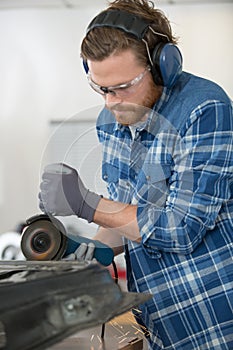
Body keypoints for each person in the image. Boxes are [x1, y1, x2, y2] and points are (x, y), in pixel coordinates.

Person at [39, 0, 233, 349]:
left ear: (163, 67)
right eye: (101, 89)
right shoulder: (109, 122)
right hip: (159, 322)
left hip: (216, 317)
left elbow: (181, 228)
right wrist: (95, 249)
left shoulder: (205, 108)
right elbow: (125, 211)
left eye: (123, 86)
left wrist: (85, 202)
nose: (111, 103)